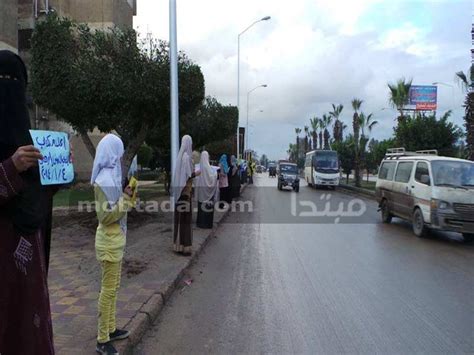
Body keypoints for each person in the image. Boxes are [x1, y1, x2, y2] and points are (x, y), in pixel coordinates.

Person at [0, 50, 57, 355]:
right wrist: (10, 167)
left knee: (29, 333)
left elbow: (35, 201)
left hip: (29, 267)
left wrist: (55, 179)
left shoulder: (27, 139)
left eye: (15, 83)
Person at [91, 134, 135, 355]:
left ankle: (110, 328)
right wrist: (125, 200)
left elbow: (118, 208)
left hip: (115, 241)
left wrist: (127, 196)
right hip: (108, 243)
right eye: (118, 152)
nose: (120, 157)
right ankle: (101, 339)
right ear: (111, 153)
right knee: (108, 291)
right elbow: (105, 216)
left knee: (114, 288)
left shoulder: (112, 177)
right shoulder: (104, 180)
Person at [172, 135, 199, 255]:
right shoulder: (187, 157)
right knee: (186, 220)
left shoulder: (179, 156)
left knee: (179, 219)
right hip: (186, 192)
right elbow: (189, 175)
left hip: (179, 193)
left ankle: (177, 245)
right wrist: (197, 173)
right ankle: (185, 246)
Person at [195, 151, 218, 229]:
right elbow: (212, 179)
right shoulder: (208, 168)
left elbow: (196, 179)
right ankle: (207, 224)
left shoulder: (200, 168)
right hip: (208, 193)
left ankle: (201, 223)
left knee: (201, 208)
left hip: (201, 192)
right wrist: (215, 174)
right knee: (208, 208)